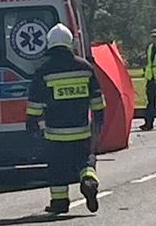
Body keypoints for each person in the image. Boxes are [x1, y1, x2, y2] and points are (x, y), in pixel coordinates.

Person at [26, 23, 106, 215]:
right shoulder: (85, 67)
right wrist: (98, 120)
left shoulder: (44, 70)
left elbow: (35, 102)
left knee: (57, 167)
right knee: (85, 161)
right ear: (70, 42)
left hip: (56, 134)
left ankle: (60, 202)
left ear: (50, 43)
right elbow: (97, 99)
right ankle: (89, 181)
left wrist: (32, 123)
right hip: (81, 130)